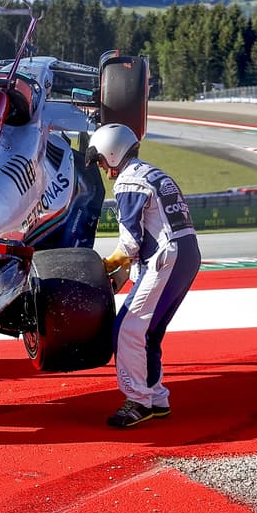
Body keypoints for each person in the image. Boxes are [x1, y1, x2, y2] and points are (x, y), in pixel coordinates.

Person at [86, 123, 201, 428]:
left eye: (99, 159)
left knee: (126, 329)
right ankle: (157, 397)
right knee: (148, 332)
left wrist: (105, 265)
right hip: (187, 253)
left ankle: (138, 401)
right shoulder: (153, 173)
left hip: (167, 257)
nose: (101, 166)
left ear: (112, 152)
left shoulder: (128, 183)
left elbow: (130, 243)